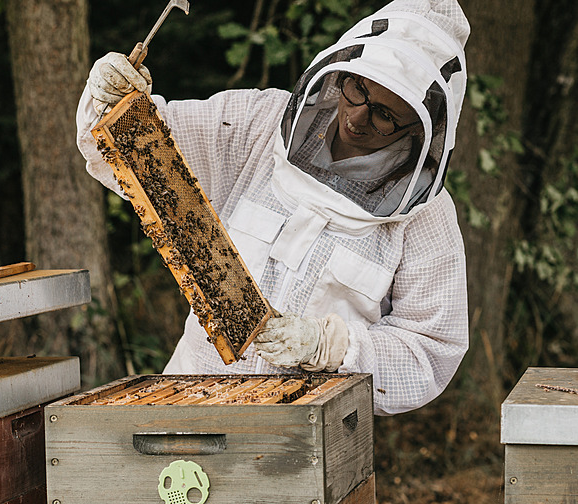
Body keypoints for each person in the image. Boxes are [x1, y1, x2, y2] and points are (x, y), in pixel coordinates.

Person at [77, 0, 470, 416]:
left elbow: (430, 351)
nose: (356, 117)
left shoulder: (426, 218)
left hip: (308, 434)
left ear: (421, 125)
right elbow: (136, 152)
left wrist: (330, 346)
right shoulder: (256, 124)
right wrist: (111, 101)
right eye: (357, 90)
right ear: (341, 73)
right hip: (187, 399)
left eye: (385, 115)